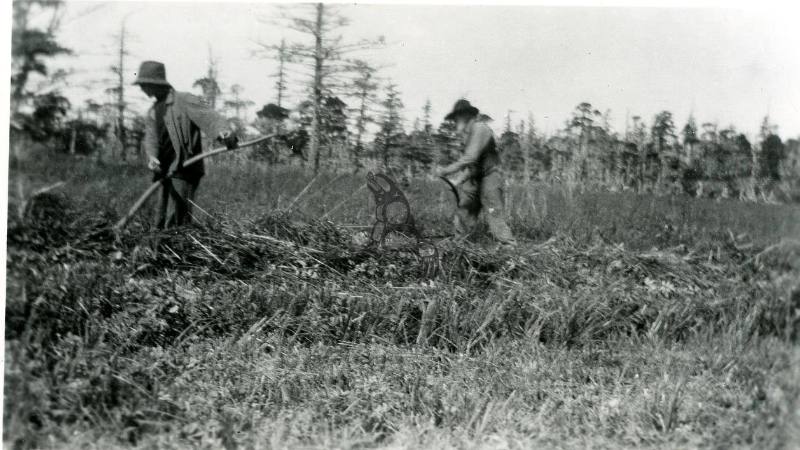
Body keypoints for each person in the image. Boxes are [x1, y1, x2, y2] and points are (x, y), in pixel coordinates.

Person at [134, 61, 238, 228]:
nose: (142, 89)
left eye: (144, 85)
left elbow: (210, 117)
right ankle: (158, 251)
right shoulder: (152, 112)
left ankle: (176, 251)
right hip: (163, 171)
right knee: (159, 219)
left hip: (184, 169)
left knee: (176, 220)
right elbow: (151, 139)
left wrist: (224, 133)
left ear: (154, 84)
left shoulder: (184, 100)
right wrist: (152, 157)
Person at [436, 99, 517, 248]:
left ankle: (508, 246)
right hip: (475, 179)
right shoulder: (468, 136)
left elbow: (470, 157)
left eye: (457, 117)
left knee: (494, 213)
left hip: (490, 176)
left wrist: (446, 170)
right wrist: (457, 181)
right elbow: (472, 167)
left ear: (466, 115)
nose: (455, 121)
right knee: (465, 210)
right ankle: (458, 245)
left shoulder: (480, 128)